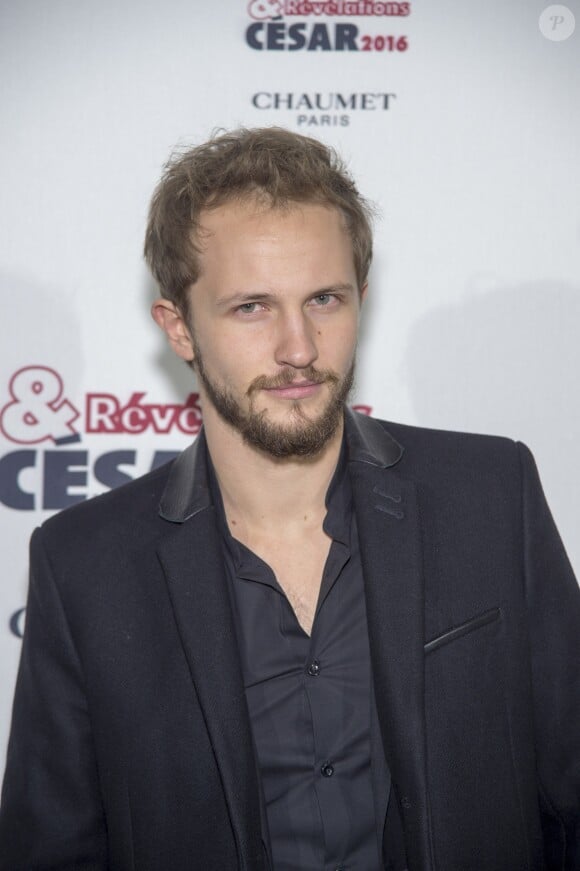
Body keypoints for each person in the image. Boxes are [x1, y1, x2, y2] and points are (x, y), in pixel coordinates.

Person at [0, 128, 578, 871]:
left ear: (362, 299)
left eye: (324, 299)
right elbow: (51, 850)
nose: (299, 348)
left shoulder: (491, 495)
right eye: (252, 307)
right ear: (179, 327)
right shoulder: (84, 564)